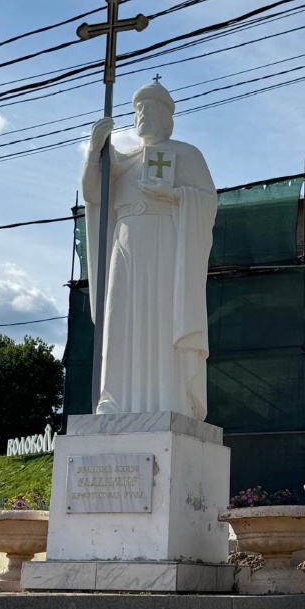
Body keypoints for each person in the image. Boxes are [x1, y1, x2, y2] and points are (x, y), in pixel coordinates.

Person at [81, 79, 217, 421]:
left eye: (151, 108)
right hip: (125, 243)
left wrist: (174, 196)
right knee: (120, 318)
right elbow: (93, 195)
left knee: (161, 316)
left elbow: (208, 201)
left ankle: (167, 396)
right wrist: (94, 152)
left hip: (164, 242)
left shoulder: (186, 154)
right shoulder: (120, 160)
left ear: (167, 118)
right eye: (139, 109)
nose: (143, 114)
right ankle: (114, 399)